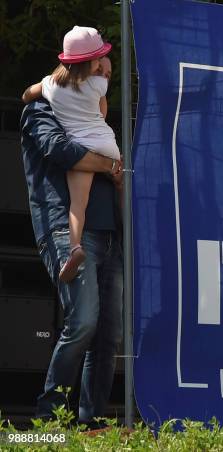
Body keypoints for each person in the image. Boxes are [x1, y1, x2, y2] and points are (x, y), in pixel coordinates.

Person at [20, 31, 124, 426]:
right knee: (82, 323)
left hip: (109, 230)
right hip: (66, 228)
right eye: (98, 66)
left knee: (107, 335)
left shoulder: (90, 111)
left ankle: (89, 421)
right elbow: (60, 152)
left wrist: (113, 174)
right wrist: (106, 164)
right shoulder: (40, 110)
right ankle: (47, 422)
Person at [22, 26, 121, 283]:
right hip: (106, 144)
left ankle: (75, 247)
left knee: (78, 204)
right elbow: (101, 114)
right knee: (123, 184)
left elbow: (26, 95)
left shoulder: (51, 86)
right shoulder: (99, 85)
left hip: (80, 149)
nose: (101, 65)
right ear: (91, 62)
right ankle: (123, 234)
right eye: (99, 60)